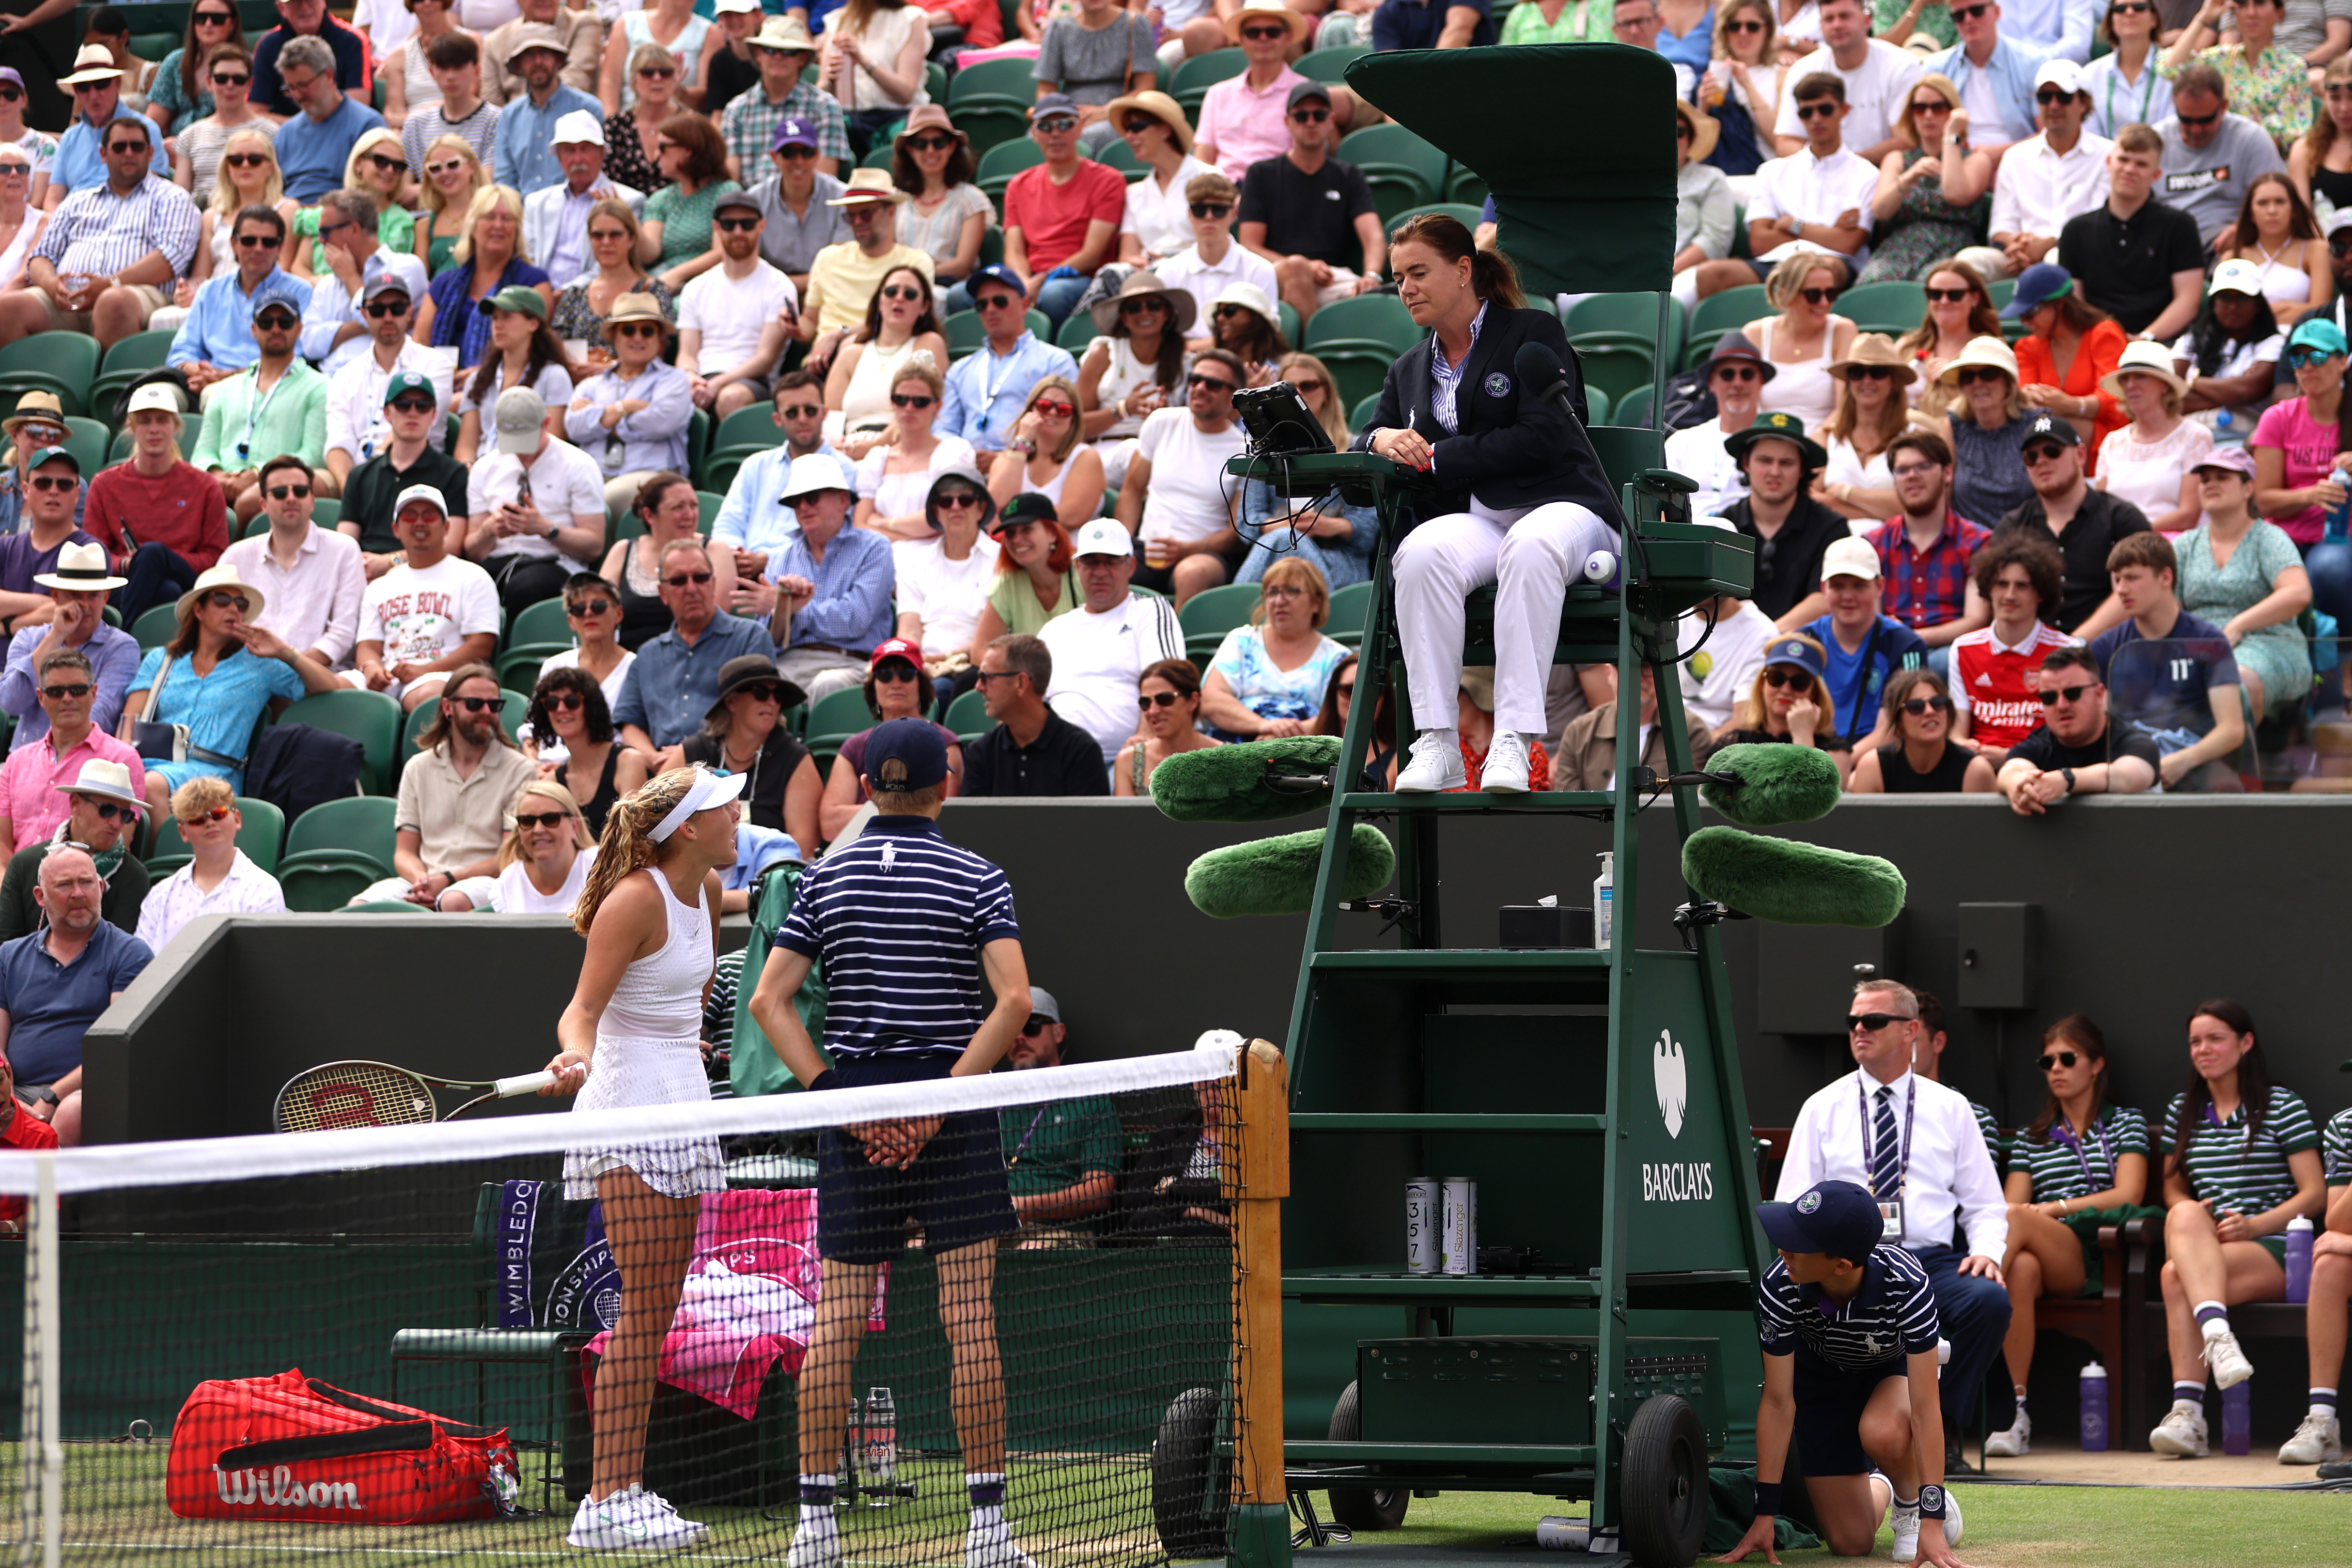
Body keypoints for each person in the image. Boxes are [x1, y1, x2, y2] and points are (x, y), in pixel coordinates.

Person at [745, 719, 1030, 1568]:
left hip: (858, 1105)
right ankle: (988, 1533)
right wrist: (940, 1106)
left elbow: (769, 1002)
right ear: (946, 783)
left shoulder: (824, 878)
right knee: (969, 1315)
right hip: (953, 1100)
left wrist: (845, 1106)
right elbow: (1013, 1002)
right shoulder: (979, 874)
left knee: (835, 1319)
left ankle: (815, 1531)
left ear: (866, 787)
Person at [542, 765, 743, 1552]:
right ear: (687, 825)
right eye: (725, 807)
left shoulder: (709, 889)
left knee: (658, 1308)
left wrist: (677, 1040)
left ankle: (622, 1489)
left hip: (681, 1093)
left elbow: (681, 1001)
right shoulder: (635, 897)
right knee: (640, 1305)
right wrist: (576, 1056)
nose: (737, 816)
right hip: (623, 1103)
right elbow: (583, 1008)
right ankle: (606, 1496)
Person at [1359, 215, 1621, 794]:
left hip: (1566, 507)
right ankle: (1438, 740)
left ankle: (1513, 737)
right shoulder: (1407, 368)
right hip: (1480, 519)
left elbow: (1547, 435)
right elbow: (1370, 434)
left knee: (1531, 547)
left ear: (1463, 270)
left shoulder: (1532, 332)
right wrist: (1379, 441)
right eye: (1399, 277)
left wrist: (1439, 457)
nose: (1406, 288)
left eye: (1419, 273)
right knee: (1420, 554)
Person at [1774, 977, 2009, 1479]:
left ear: (1911, 1032)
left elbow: (1986, 1205)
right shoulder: (1822, 1106)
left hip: (1930, 1261)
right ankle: (1864, 1435)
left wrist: (1988, 1251)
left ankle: (1935, 1431)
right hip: (1849, 1263)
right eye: (1853, 1021)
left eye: (1873, 1021)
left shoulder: (1950, 1107)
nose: (1859, 1029)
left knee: (1988, 1301)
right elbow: (1790, 1202)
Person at [1714, 1179, 1963, 1568]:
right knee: (1851, 1542)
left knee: (1880, 1429)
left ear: (1841, 1265)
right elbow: (1778, 1402)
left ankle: (1914, 1505)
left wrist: (1932, 1519)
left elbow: (1925, 1407)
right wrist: (1763, 1515)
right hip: (1821, 1378)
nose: (1782, 1250)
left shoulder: (1908, 1281)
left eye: (1797, 1244)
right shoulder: (1778, 1283)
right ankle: (1885, 1484)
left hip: (1891, 1368)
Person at [2147, 999, 2326, 1457]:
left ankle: (2188, 1413)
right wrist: (2199, 1214)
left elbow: (2313, 1192)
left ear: (2245, 1043)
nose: (2203, 1049)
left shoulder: (2280, 1104)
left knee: (2173, 1275)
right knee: (2183, 1215)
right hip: (2209, 1245)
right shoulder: (2182, 1110)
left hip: (2277, 1246)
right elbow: (2171, 1190)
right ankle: (2217, 1338)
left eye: (2215, 1038)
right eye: (2194, 1041)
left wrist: (2254, 1226)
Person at [1982, 1013, 2149, 1459]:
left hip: (2092, 1255)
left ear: (2095, 1064)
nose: (2054, 1067)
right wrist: (2035, 1217)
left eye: (2067, 1058)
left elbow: (2129, 1191)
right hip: (2039, 1252)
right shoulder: (2032, 1138)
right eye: (2046, 1060)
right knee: (2020, 1266)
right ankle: (2013, 1413)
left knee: (2015, 1224)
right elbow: (2007, 1207)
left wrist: (2054, 1209)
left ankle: (1966, 1311)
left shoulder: (2124, 1123)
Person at [119, 559, 341, 818]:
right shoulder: (162, 659)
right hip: (153, 763)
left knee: (151, 785)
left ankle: (161, 859)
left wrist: (283, 651)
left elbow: (328, 686)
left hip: (216, 775)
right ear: (199, 611)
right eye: (222, 600)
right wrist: (122, 767)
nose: (234, 608)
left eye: (241, 604)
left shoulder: (260, 663)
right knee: (113, 781)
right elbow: (128, 726)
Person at [1, 114, 198, 354]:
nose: (128, 153)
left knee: (113, 301)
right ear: (104, 154)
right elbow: (41, 256)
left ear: (150, 153)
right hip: (66, 299)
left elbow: (170, 258)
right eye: (119, 147)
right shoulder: (77, 200)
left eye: (136, 146)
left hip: (136, 292)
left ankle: (107, 390)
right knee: (7, 308)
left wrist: (111, 283)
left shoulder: (173, 197)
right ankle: (29, 389)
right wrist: (52, 285)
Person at [0, 843, 154, 1148]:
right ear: (40, 897)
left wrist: (52, 1096)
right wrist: (7, 1094)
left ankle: (51, 1196)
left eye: (86, 882)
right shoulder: (9, 956)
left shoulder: (129, 953)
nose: (79, 893)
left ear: (100, 887)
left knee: (73, 1111)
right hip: (14, 1092)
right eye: (65, 885)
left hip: (85, 1093)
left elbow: (115, 1048)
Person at [2091, 518, 2252, 788]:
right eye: (2117, 580)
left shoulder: (2208, 641)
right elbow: (2096, 726)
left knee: (2227, 786)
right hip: (2126, 763)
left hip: (2191, 764)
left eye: (2132, 578)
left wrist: (2183, 761)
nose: (2121, 590)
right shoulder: (2105, 648)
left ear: (2165, 577)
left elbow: (2232, 730)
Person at [614, 540, 782, 769]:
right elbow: (630, 726)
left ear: (713, 584)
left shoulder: (751, 637)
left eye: (701, 578)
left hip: (727, 770)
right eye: (679, 581)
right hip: (661, 777)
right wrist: (655, 759)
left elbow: (756, 715)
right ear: (663, 593)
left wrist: (688, 753)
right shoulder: (647, 655)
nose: (691, 589)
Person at [2174, 444, 2312, 721]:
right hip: (2198, 646)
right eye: (2205, 479)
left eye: (2223, 477)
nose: (2211, 484)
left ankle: (2238, 763)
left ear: (2248, 489)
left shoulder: (2268, 538)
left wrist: (2237, 626)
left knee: (2234, 683)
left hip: (2267, 643)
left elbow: (2298, 593)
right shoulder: (2185, 545)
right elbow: (2167, 608)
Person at [1236, 83, 1385, 331]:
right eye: (1302, 116)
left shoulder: (1349, 176)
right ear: (1288, 122)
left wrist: (1371, 276)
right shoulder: (1262, 174)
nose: (1311, 122)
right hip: (1276, 275)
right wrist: (1303, 266)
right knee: (1295, 269)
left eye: (1319, 115)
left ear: (1331, 121)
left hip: (1332, 278)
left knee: (1377, 302)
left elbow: (1374, 235)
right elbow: (1249, 244)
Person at [87, 384, 234, 628]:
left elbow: (215, 557)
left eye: (162, 420)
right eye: (145, 421)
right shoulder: (105, 484)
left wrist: (159, 559)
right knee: (167, 590)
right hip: (131, 583)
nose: (154, 429)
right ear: (131, 427)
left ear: (176, 427)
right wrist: (127, 564)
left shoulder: (205, 485)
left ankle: (124, 637)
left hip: (188, 579)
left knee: (154, 553)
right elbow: (94, 555)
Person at [1994, 413, 2152, 638]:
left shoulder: (2122, 518)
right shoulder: (2012, 526)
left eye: (2052, 451)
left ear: (2080, 455)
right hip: (2031, 650)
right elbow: (1999, 595)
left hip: (2109, 648)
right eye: (2031, 456)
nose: (2041, 461)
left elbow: (2140, 589)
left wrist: (2074, 645)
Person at [1957, 58, 2114, 282]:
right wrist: (2015, 246)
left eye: (2064, 97)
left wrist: (2049, 244)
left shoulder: (2108, 154)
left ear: (2084, 103)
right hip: (2020, 256)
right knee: (1968, 262)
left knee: (2056, 258)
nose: (2054, 105)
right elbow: (2002, 224)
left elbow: (2097, 225)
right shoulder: (2015, 156)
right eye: (2045, 97)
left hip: (2077, 256)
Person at [348, 483, 501, 712]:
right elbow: (368, 646)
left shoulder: (473, 576)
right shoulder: (379, 586)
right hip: (387, 675)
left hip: (440, 675)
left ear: (447, 527)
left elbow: (480, 647)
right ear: (396, 529)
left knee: (432, 697)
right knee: (332, 689)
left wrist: (425, 670)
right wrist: (371, 668)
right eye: (409, 517)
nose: (420, 523)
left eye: (429, 516)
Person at [1234, 353, 1377, 591]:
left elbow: (1370, 529)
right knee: (1283, 540)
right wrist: (1287, 526)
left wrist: (1332, 526)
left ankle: (1237, 620)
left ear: (1327, 394)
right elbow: (1247, 524)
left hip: (1337, 559)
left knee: (1283, 541)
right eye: (1289, 389)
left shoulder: (1354, 449)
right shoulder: (1266, 454)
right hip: (1275, 556)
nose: (1299, 394)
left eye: (1308, 386)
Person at [1117, 349, 1249, 605]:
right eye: (1194, 380)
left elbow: (1237, 533)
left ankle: (1177, 646)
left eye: (1213, 384)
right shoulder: (1162, 421)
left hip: (1203, 555)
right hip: (1147, 550)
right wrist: (1122, 543)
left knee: (1191, 574)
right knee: (1097, 564)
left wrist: (1188, 550)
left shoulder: (1243, 450)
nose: (1200, 388)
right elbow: (1132, 490)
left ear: (1234, 396)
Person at [757, 455, 894, 702]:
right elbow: (768, 642)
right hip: (788, 663)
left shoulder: (875, 547)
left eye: (811, 498)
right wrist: (780, 612)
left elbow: (855, 620)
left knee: (828, 684)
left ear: (843, 500)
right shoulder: (780, 558)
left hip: (848, 662)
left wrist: (795, 610)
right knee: (750, 686)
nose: (803, 507)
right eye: (796, 501)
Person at [464, 385, 608, 618]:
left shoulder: (578, 465)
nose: (522, 452)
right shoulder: (485, 468)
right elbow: (473, 550)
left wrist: (546, 529)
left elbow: (594, 547)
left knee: (526, 587)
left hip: (555, 562)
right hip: (500, 558)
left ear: (547, 423)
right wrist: (488, 531)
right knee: (467, 583)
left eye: (527, 440)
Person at [2058, 124, 2205, 340]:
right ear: (2109, 162)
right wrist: (2106, 337)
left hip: (2160, 345)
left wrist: (2145, 338)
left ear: (2156, 175)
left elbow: (2188, 300)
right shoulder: (2076, 231)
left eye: (2141, 164)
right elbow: (2075, 304)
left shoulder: (2180, 226)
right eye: (2123, 160)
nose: (2129, 170)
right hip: (2094, 342)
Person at [218, 454, 364, 671]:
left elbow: (343, 633)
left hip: (317, 676)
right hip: (248, 672)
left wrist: (292, 667)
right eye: (279, 493)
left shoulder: (345, 550)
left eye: (301, 491)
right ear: (264, 505)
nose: (291, 498)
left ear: (313, 500)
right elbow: (218, 626)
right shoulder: (235, 557)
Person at [711, 373, 859, 579]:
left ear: (825, 413)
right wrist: (736, 554)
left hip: (804, 575)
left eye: (810, 410)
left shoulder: (846, 470)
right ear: (777, 419)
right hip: (740, 569)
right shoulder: (755, 465)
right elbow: (728, 523)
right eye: (792, 413)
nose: (802, 419)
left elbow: (835, 541)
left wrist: (767, 560)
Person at [996, 96, 1124, 332]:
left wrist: (1042, 280)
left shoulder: (1108, 180)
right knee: (963, 295)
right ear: (1034, 134)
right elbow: (1013, 250)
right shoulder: (1018, 185)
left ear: (1080, 128)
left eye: (1064, 124)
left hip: (1079, 279)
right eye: (1045, 127)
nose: (1055, 133)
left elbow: (1092, 254)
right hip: (1031, 278)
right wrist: (1025, 283)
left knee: (1054, 294)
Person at [0, 648, 142, 858]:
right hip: (15, 885)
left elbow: (115, 847)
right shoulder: (16, 762)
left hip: (81, 884)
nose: (67, 699)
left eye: (77, 690)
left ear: (93, 693)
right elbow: (2, 845)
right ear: (41, 697)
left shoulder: (123, 759)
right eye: (56, 692)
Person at [939, 263, 1083, 470]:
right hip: (965, 472)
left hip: (1028, 469)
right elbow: (944, 428)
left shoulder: (1055, 361)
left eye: (1000, 301)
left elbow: (1067, 430)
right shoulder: (961, 369)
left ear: (1025, 305)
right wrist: (964, 456)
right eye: (982, 305)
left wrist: (1008, 456)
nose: (990, 310)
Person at [566, 293, 693, 525]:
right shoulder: (591, 384)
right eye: (628, 330)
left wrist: (603, 416)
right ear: (614, 336)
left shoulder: (675, 379)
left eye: (647, 331)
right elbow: (574, 427)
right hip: (594, 476)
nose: (638, 338)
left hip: (652, 478)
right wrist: (628, 408)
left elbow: (662, 422)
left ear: (659, 338)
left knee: (606, 499)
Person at [0, 542, 139, 753]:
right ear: (56, 596)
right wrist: (56, 636)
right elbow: (11, 703)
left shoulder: (122, 647)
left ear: (106, 597)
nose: (84, 605)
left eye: (93, 595)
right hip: (25, 758)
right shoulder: (28, 638)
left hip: (85, 759)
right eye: (74, 595)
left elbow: (101, 714)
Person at [817, 638, 963, 839]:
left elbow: (946, 817)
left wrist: (877, 809)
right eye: (885, 675)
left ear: (921, 684)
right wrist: (909, 808)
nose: (896, 683)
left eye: (906, 674)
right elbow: (830, 824)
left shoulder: (945, 742)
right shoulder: (855, 747)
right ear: (873, 686)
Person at [1949, 530, 2076, 760]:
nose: (2009, 595)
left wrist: (2009, 757)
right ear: (1988, 589)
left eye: (2022, 586)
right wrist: (1968, 752)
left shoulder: (2068, 651)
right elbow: (1957, 734)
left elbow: (2071, 740)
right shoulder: (1962, 649)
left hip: (2041, 768)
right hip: (1979, 768)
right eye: (2001, 584)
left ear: (2041, 593)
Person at [1859, 70, 1992, 286]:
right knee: (1872, 283)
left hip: (1951, 247)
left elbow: (1955, 194)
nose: (1929, 116)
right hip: (1900, 248)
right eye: (1920, 109)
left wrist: (1951, 136)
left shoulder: (1976, 160)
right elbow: (1881, 211)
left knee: (1930, 285)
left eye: (1938, 108)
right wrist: (1909, 176)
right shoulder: (1898, 160)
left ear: (1951, 112)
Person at [322, 261, 448, 487]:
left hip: (418, 471)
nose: (388, 317)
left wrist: (372, 478)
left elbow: (422, 429)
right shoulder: (344, 375)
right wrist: (351, 489)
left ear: (410, 312)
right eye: (378, 310)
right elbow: (338, 444)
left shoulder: (436, 365)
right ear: (364, 314)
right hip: (358, 479)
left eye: (397, 309)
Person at [677, 188, 799, 421]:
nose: (738, 232)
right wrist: (690, 376)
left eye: (747, 224)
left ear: (761, 226)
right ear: (716, 228)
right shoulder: (696, 287)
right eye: (728, 224)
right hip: (703, 376)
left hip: (753, 381)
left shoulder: (779, 286)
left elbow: (765, 360)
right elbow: (686, 353)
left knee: (731, 397)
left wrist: (717, 384)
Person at [1719, 410, 1849, 628]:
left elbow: (1824, 598)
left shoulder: (1831, 528)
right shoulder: (1724, 527)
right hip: (1731, 650)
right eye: (1765, 460)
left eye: (1786, 463)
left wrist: (1766, 639)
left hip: (1805, 648)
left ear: (1802, 470)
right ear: (1746, 463)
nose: (1775, 472)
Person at [1864, 429, 1991, 650]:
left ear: (1948, 473)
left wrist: (1912, 638)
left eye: (1924, 466)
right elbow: (1870, 620)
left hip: (1951, 651)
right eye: (1902, 470)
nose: (1913, 475)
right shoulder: (1873, 544)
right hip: (1890, 649)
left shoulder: (1977, 542)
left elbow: (1976, 621)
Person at [1801, 535, 1931, 752]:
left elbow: (1897, 726)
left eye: (1859, 586)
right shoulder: (1803, 642)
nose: (1848, 596)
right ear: (1824, 588)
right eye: (1838, 586)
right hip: (1813, 758)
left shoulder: (1905, 646)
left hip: (1875, 763)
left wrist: (1841, 767)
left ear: (1880, 586)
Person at [797, 170, 934, 373]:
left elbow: (910, 320)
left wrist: (840, 334)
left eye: (866, 213)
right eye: (850, 217)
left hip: (884, 361)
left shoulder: (915, 262)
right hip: (820, 364)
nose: (858, 222)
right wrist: (793, 327)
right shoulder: (828, 257)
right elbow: (809, 321)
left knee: (850, 350)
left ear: (891, 213)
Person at [1994, 642, 2162, 808]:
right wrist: (2017, 784)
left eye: (2072, 694)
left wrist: (2067, 779)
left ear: (2099, 694)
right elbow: (2012, 769)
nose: (2061, 705)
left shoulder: (2134, 741)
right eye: (2049, 697)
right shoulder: (2039, 743)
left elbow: (2126, 777)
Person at [168, 203, 309, 397]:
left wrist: (228, 377)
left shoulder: (301, 292)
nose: (258, 249)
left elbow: (298, 358)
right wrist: (195, 369)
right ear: (234, 244)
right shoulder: (210, 290)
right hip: (204, 380)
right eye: (249, 241)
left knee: (215, 396)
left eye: (268, 242)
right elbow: (183, 349)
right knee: (156, 396)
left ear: (281, 247)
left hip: (269, 386)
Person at [1198, 559, 1347, 741]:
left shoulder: (1337, 658)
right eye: (1272, 592)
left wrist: (1282, 739)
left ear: (1317, 602)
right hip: (1235, 748)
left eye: (1292, 591)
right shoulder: (1242, 641)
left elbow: (1339, 716)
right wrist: (1265, 725)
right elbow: (1212, 700)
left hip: (1305, 754)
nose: (1279, 601)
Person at [340, 371, 470, 579]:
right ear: (387, 414)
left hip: (429, 575)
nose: (413, 412)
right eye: (403, 405)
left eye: (423, 406)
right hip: (364, 575)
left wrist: (391, 561)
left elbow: (452, 546)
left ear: (434, 415)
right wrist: (364, 565)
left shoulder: (454, 473)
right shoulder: (360, 475)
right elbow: (344, 543)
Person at [677, 653, 817, 847]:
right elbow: (660, 822)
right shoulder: (692, 752)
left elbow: (804, 842)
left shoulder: (796, 759)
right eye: (761, 693)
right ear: (731, 702)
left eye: (778, 696)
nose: (772, 702)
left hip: (768, 871)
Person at [134, 774, 284, 949]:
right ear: (183, 832)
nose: (210, 823)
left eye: (218, 814)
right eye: (197, 820)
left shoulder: (264, 890)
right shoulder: (159, 896)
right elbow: (141, 964)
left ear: (237, 819)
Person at [599, 473, 741, 651]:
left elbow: (715, 618)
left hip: (693, 654)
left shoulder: (715, 550)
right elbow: (599, 610)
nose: (689, 515)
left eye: (694, 506)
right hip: (628, 660)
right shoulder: (623, 551)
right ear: (649, 515)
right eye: (678, 507)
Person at [415, 185, 552, 367]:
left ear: (518, 230)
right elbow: (419, 344)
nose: (498, 225)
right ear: (472, 227)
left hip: (504, 381)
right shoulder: (443, 284)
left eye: (507, 219)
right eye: (489, 217)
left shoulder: (534, 283)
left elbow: (535, 348)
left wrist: (480, 375)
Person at [1771, 0, 1925, 162]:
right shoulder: (1803, 70)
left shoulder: (1902, 66)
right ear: (1821, 27)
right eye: (1829, 19)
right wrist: (1826, 166)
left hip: (1884, 176)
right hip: (1817, 176)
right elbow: (1786, 143)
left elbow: (1907, 140)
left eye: (1845, 17)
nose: (1837, 25)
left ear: (1867, 21)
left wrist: (1847, 167)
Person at [301, 195, 431, 386]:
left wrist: (351, 278)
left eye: (325, 232)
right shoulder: (327, 284)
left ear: (354, 229)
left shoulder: (406, 267)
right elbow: (310, 345)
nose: (320, 240)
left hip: (384, 382)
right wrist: (360, 326)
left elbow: (385, 323)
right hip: (327, 384)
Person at [962, 632, 1110, 795]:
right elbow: (974, 820)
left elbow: (1089, 820)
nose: (978, 687)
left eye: (986, 677)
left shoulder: (1081, 752)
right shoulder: (981, 753)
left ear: (1021, 682)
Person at [2005, 262, 2128, 458]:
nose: (2024, 322)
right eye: (2021, 315)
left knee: (2054, 426)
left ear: (2060, 304)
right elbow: (2029, 403)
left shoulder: (2103, 333)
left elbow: (2116, 399)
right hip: (2047, 440)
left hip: (2108, 439)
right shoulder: (2027, 347)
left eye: (2030, 312)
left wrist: (2072, 406)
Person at [891, 466, 1002, 684]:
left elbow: (994, 637)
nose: (955, 507)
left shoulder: (1001, 560)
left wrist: (942, 659)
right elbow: (909, 629)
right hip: (922, 667)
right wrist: (914, 661)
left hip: (978, 667)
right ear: (936, 511)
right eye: (946, 501)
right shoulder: (915, 561)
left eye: (966, 500)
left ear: (981, 509)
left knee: (937, 688)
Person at [2155, 62, 2284, 248]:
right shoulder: (2157, 141)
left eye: (2206, 120)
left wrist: (2243, 228)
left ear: (2223, 107)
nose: (2196, 129)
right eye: (2186, 120)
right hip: (2168, 240)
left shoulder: (2250, 138)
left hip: (2227, 239)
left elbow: (2278, 201)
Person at [824, 263, 948, 455]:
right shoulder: (851, 354)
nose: (899, 298)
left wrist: (875, 446)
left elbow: (919, 408)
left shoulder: (928, 343)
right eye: (891, 291)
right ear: (880, 301)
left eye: (910, 294)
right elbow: (831, 421)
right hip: (849, 448)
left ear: (924, 307)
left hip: (901, 449)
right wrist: (841, 451)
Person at [2252, 316, 2352, 549]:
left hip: (2341, 535)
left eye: (2318, 357)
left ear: (2343, 362)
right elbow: (2264, 501)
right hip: (2284, 540)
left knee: (2330, 568)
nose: (2307, 367)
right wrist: (2310, 495)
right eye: (2298, 360)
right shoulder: (2277, 418)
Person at [522, 113, 646, 301]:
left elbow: (613, 264)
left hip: (595, 299)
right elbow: (526, 258)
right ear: (559, 157)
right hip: (538, 299)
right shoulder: (537, 203)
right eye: (569, 151)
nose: (578, 159)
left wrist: (563, 294)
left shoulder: (628, 201)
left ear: (602, 153)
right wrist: (541, 294)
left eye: (585, 149)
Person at [2096, 337, 2212, 532]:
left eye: (2141, 376)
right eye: (2125, 379)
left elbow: (2189, 515)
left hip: (2173, 545)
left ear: (2165, 385)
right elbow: (2099, 510)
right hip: (2119, 546)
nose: (2131, 385)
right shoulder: (2112, 442)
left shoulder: (2196, 436)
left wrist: (2136, 531)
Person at [715, 17, 847, 186]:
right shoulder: (736, 109)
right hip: (750, 208)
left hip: (806, 208)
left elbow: (825, 181)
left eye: (788, 51)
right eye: (770, 50)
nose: (778, 56)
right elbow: (731, 182)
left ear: (802, 58)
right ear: (758, 55)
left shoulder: (825, 107)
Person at [2163, 0, 2312, 147]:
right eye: (2242, 4)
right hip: (2217, 156)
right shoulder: (2221, 59)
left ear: (2279, 12)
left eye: (2260, 3)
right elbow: (2170, 69)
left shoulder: (2293, 67)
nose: (2251, 13)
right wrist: (2204, 18)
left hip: (2266, 159)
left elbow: (2290, 131)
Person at [436, 776, 596, 913]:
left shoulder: (600, 865)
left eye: (550, 819)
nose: (538, 830)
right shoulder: (509, 881)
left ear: (575, 826)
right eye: (528, 821)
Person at [1194, 0, 1314, 182]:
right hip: (1221, 195)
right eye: (1253, 33)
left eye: (1273, 32)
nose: (1263, 38)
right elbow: (1202, 159)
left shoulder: (1305, 93)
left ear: (1288, 38)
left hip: (1277, 191)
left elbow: (1305, 162)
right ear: (1241, 40)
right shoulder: (1218, 94)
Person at [527, 663, 647, 837]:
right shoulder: (553, 781)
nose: (561, 709)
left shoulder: (628, 761)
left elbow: (630, 836)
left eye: (572, 701)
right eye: (552, 703)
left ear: (591, 707)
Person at [1668, 332, 1776, 521]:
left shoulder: (1776, 446)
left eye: (1747, 374)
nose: (1738, 383)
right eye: (1727, 375)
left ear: (1761, 382)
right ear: (1712, 383)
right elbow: (1661, 509)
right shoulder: (1681, 442)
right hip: (1689, 539)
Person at [1550, 661, 1708, 789]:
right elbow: (1569, 810)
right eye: (1625, 667)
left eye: (1645, 667)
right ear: (1608, 672)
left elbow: (1689, 802)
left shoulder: (1689, 731)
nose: (1636, 677)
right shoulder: (1579, 731)